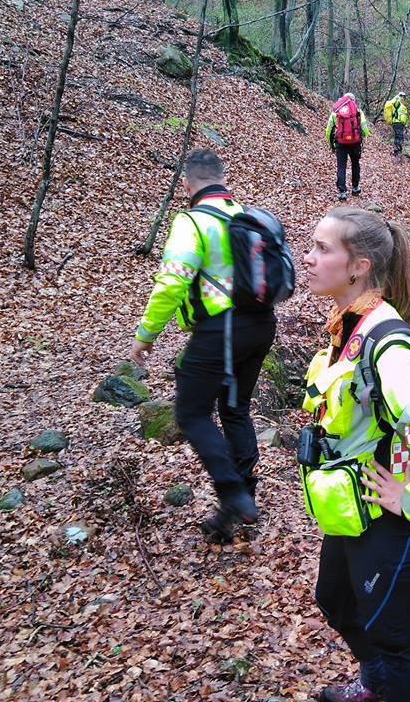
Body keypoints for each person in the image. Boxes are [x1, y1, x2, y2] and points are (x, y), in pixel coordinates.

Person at [301, 207, 410, 702]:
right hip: (352, 508)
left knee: (393, 639)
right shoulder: (347, 326)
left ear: (359, 266)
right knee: (335, 599)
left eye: (322, 249)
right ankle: (375, 683)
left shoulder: (386, 343)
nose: (307, 258)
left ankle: (388, 682)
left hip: (387, 516)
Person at [130, 147, 277, 541]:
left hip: (222, 330)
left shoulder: (193, 222)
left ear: (187, 183)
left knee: (191, 413)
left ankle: (233, 493)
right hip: (262, 325)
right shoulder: (243, 214)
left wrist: (146, 336)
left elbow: (172, 281)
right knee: (234, 409)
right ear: (223, 177)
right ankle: (242, 502)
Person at [325, 93, 371, 201]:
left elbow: (328, 130)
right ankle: (355, 188)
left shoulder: (335, 112)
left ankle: (342, 192)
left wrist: (330, 143)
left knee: (341, 166)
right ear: (353, 101)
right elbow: (365, 129)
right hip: (355, 143)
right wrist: (362, 135)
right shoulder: (358, 111)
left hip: (340, 143)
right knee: (355, 164)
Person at [382, 92, 409, 157]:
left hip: (400, 123)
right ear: (400, 96)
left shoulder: (401, 104)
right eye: (402, 96)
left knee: (398, 136)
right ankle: (397, 152)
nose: (404, 98)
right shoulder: (397, 102)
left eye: (404, 97)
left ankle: (397, 151)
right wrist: (397, 98)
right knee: (399, 137)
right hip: (397, 122)